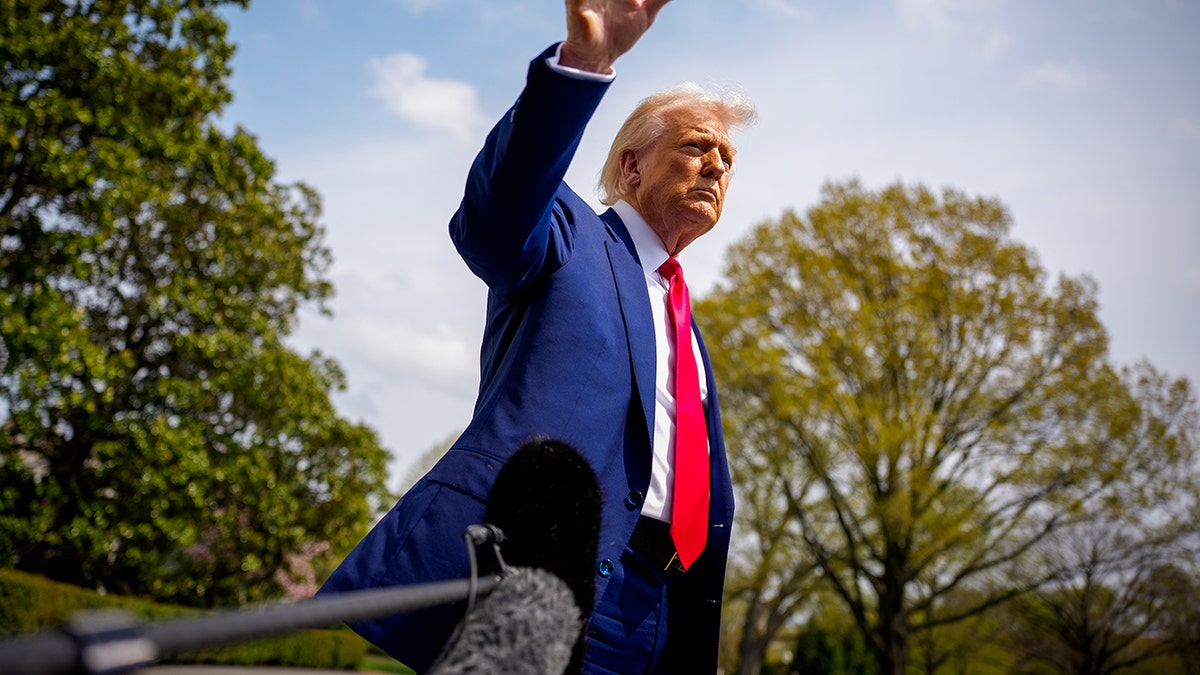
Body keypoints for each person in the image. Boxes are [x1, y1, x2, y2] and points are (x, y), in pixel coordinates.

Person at [319, 0, 756, 672]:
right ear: (633, 167)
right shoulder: (570, 234)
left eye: (726, 157)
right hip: (546, 573)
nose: (716, 166)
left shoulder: (687, 325)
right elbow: (497, 217)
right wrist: (583, 65)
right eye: (697, 145)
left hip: (664, 605)